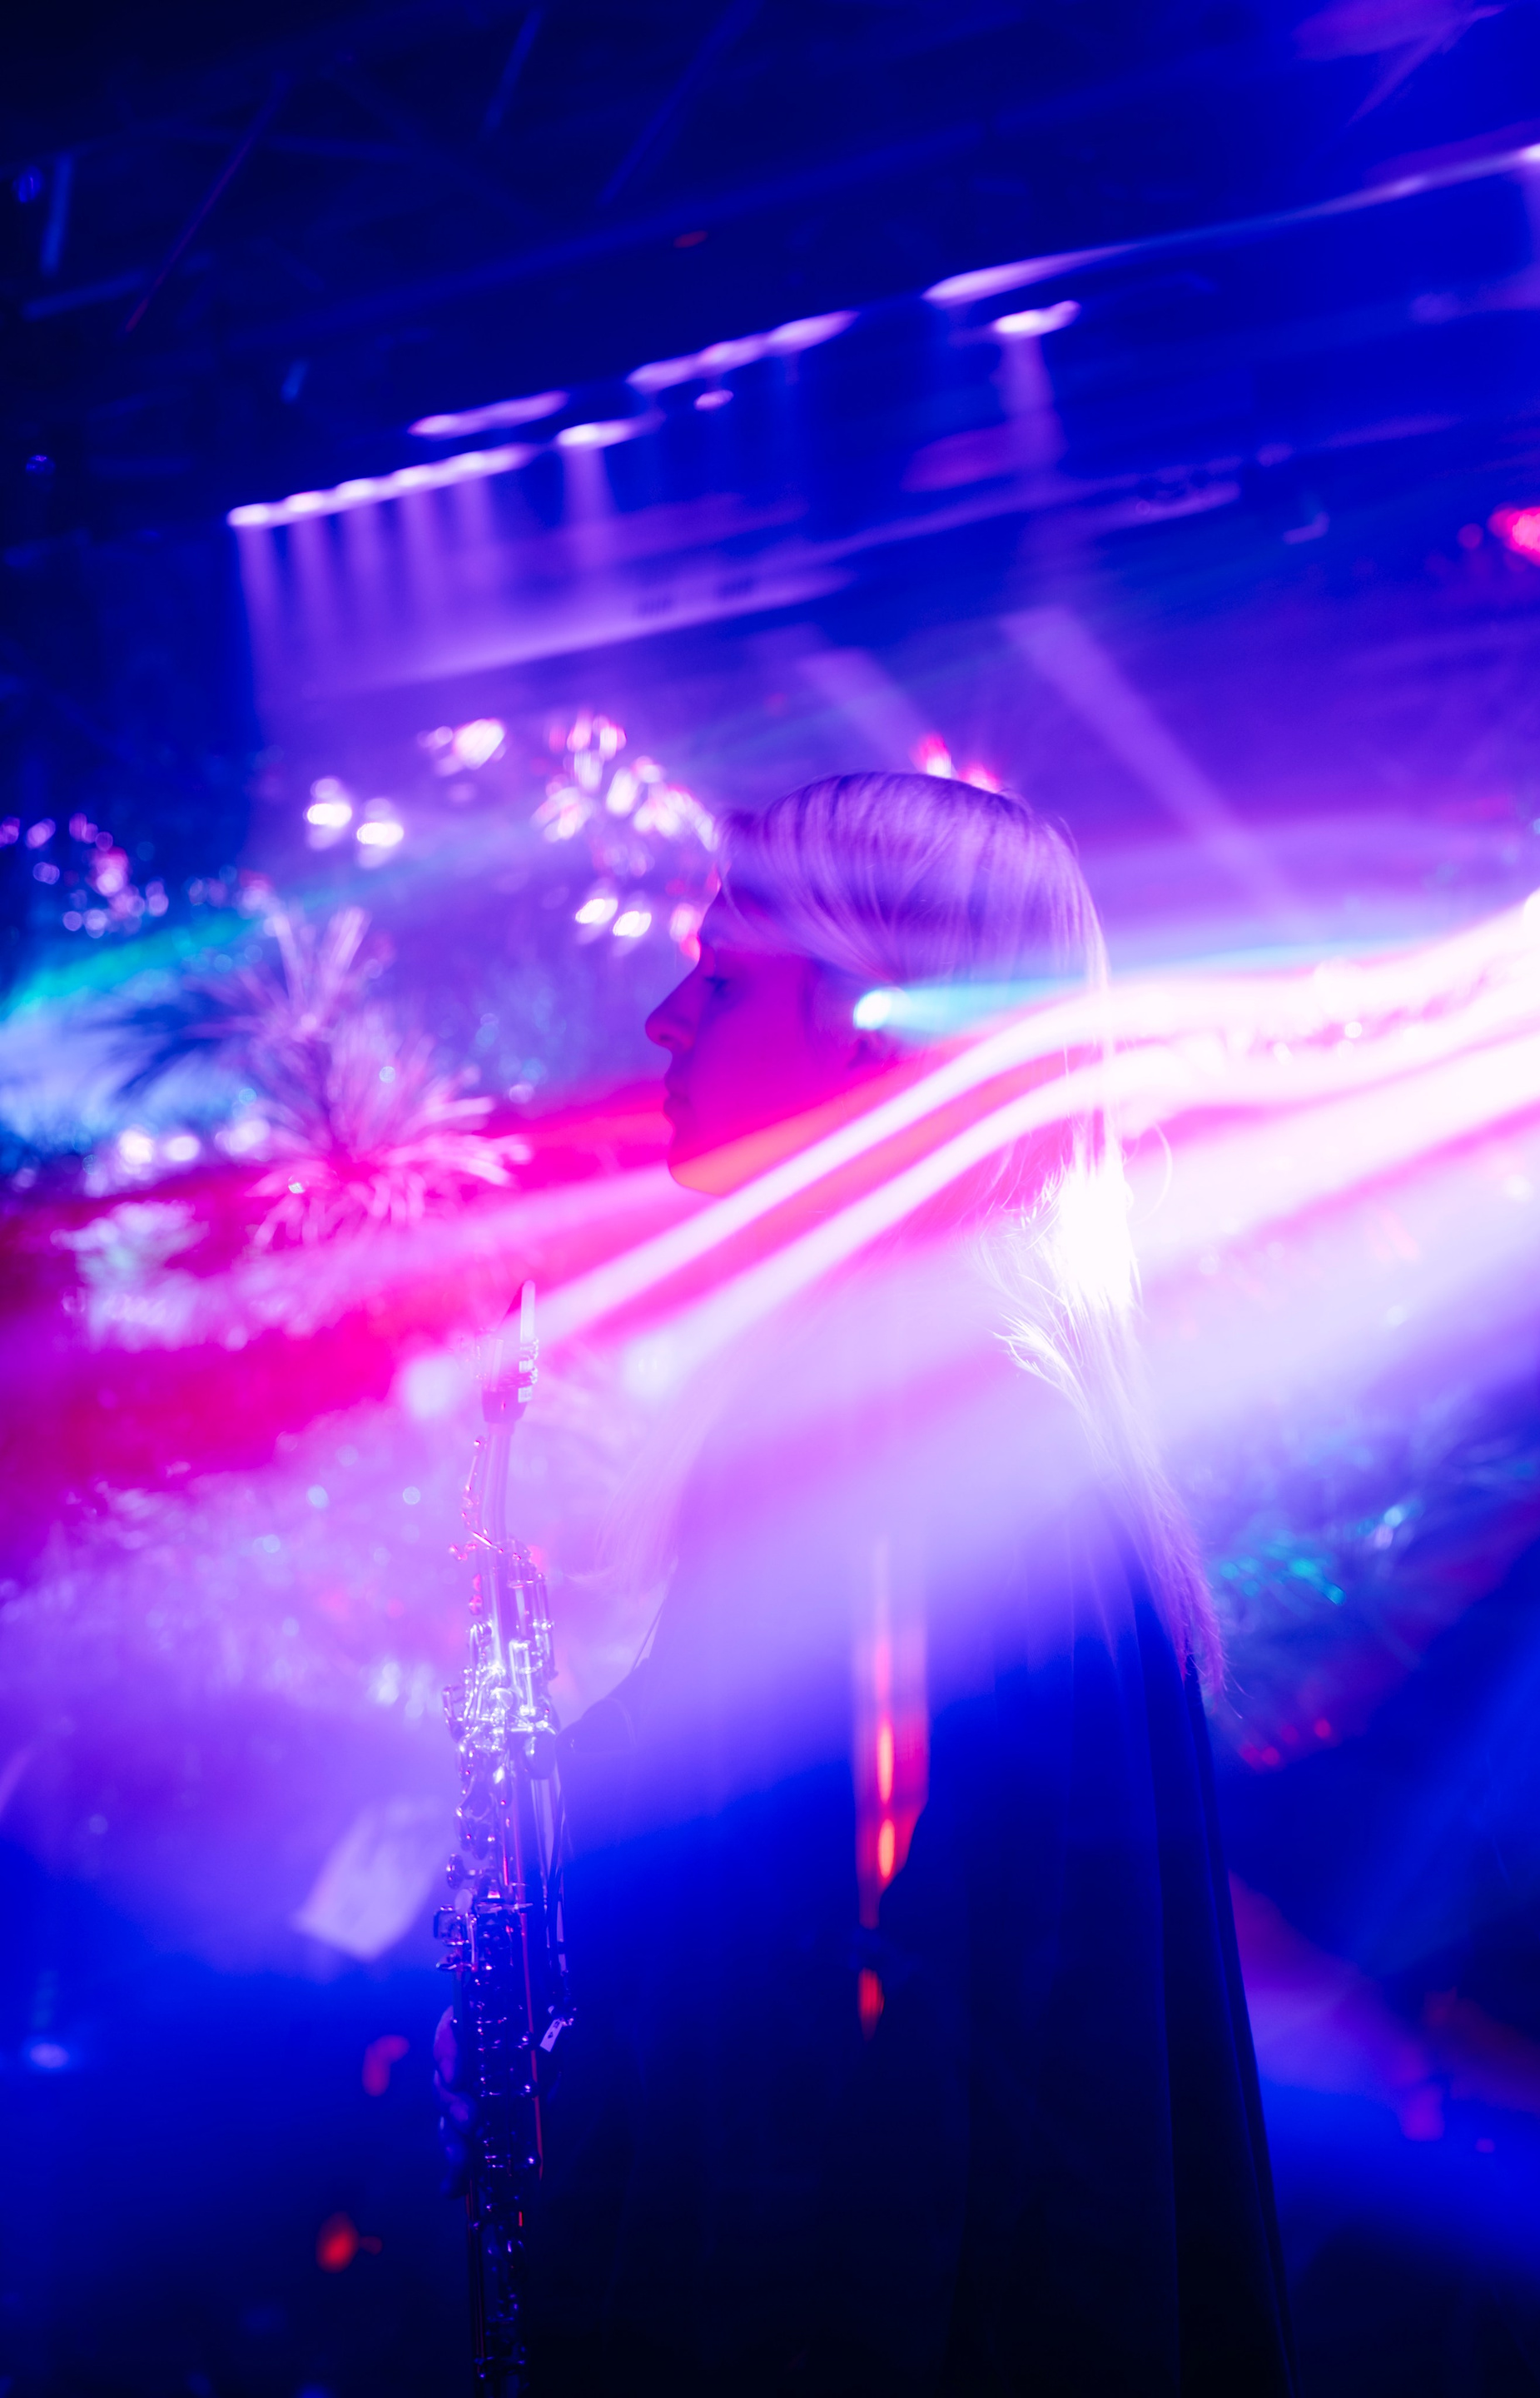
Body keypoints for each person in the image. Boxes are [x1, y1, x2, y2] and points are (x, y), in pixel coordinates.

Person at [445, 771, 1297, 2395]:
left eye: (722, 979)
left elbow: (849, 2051)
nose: (663, 1020)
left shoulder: (897, 1426)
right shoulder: (965, 1400)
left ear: (872, 1027)